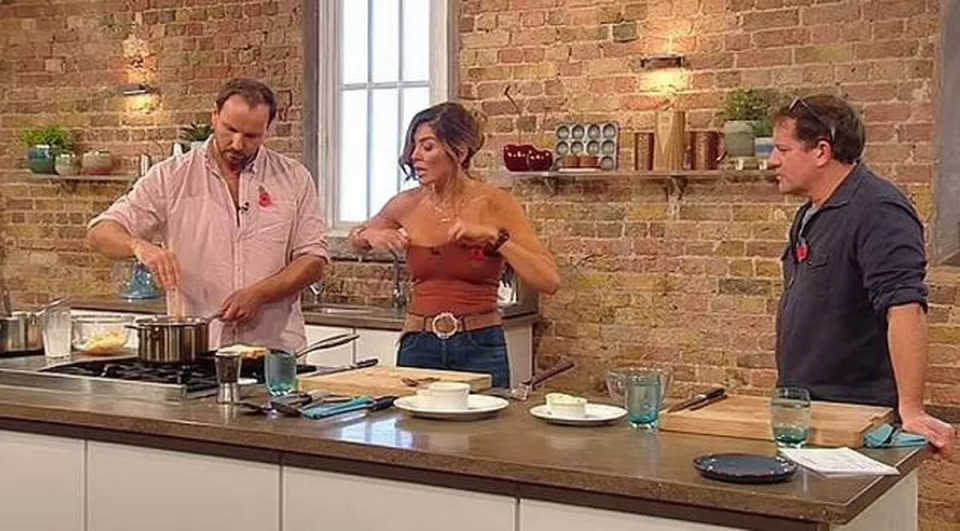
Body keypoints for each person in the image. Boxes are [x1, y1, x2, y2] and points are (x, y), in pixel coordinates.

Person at [770, 94, 955, 456]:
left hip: (858, 418)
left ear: (821, 151)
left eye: (782, 149)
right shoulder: (811, 213)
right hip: (808, 409)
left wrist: (911, 410)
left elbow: (905, 307)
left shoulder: (878, 209)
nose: (772, 161)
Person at [87, 78, 328, 352]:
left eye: (251, 136)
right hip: (198, 352)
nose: (238, 144)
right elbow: (99, 232)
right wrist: (139, 246)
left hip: (276, 355)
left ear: (269, 129)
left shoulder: (293, 178)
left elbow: (313, 261)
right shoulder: (171, 177)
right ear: (214, 117)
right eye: (230, 129)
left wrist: (260, 294)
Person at [347, 102, 559, 388]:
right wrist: (368, 236)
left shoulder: (495, 203)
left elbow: (548, 280)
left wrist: (494, 238)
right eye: (413, 146)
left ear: (459, 152)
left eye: (427, 146)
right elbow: (356, 241)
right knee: (416, 432)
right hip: (419, 346)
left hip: (481, 346)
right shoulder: (406, 204)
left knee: (483, 432)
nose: (414, 156)